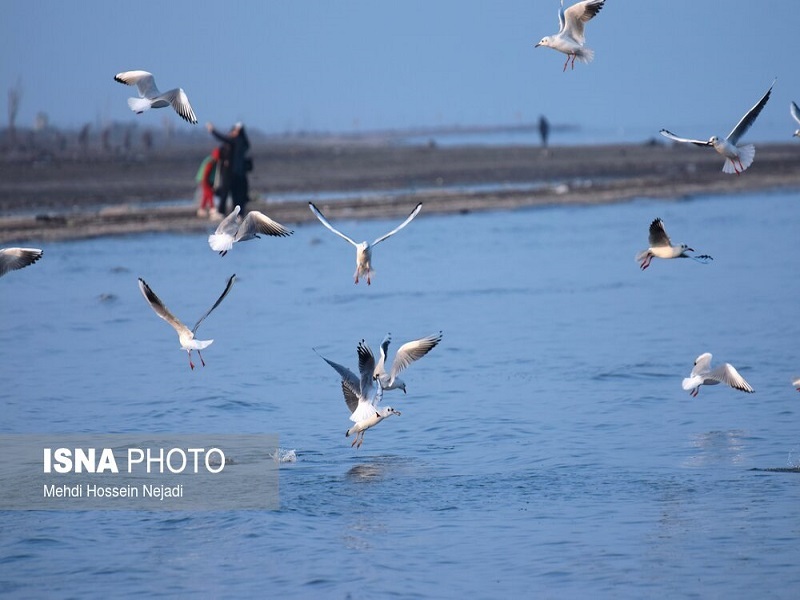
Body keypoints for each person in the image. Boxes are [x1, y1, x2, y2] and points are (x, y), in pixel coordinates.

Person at [206, 122, 252, 214]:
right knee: (239, 194)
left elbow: (223, 138)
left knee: (230, 193)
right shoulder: (244, 142)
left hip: (233, 172)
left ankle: (226, 212)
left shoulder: (236, 141)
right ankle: (238, 213)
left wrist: (213, 131)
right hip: (241, 173)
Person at [194, 147, 220, 218]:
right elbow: (205, 173)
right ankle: (213, 210)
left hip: (204, 179)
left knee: (206, 195)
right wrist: (206, 182)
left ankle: (201, 210)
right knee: (210, 194)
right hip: (204, 180)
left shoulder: (211, 160)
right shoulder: (210, 162)